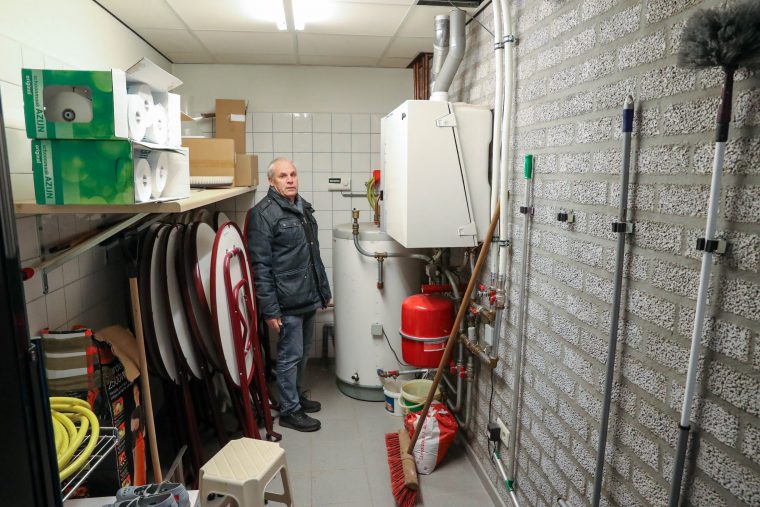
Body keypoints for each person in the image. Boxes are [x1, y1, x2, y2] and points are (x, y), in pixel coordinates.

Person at [246, 157, 332, 432]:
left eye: (293, 174)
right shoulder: (263, 214)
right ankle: (290, 410)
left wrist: (322, 292)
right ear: (271, 181)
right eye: (283, 176)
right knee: (289, 356)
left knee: (303, 353)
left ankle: (294, 397)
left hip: (307, 296)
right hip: (287, 301)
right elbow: (260, 267)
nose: (290, 179)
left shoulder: (302, 207)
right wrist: (270, 309)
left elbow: (313, 255)